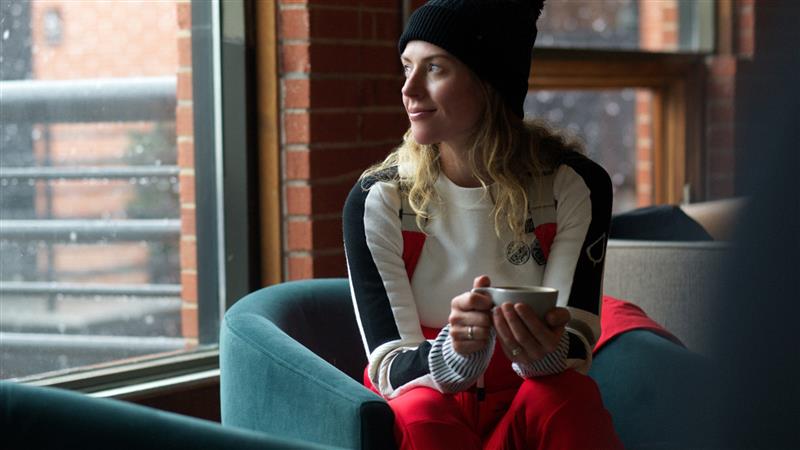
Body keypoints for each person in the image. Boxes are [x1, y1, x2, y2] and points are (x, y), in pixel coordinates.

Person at [343, 1, 623, 448]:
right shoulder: (380, 199)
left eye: (434, 68)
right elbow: (389, 366)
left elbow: (576, 346)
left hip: (525, 403)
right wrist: (455, 353)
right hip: (432, 408)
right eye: (406, 67)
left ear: (490, 82)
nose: (409, 90)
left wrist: (543, 349)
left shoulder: (573, 186)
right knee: (418, 412)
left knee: (568, 396)